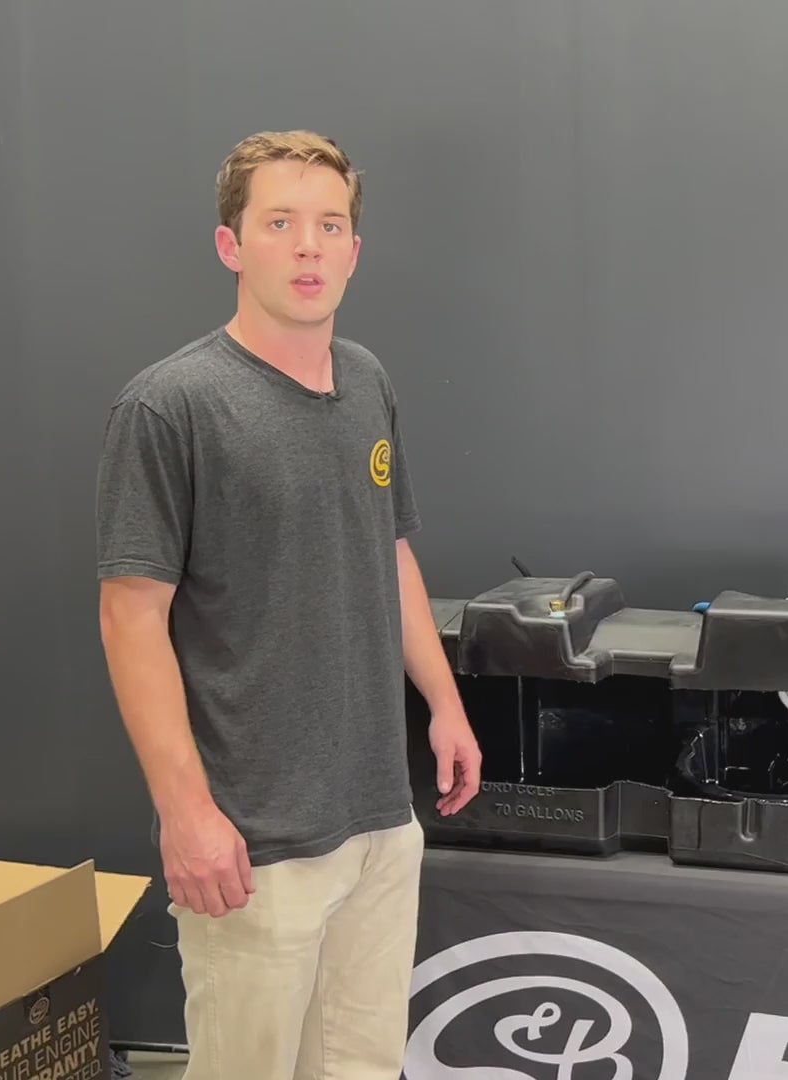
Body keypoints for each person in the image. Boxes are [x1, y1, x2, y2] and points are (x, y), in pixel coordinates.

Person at [94, 129, 481, 1079]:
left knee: (361, 1067)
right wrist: (187, 814)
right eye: (280, 223)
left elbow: (390, 551)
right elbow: (130, 616)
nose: (309, 245)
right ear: (231, 245)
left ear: (355, 250)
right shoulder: (171, 406)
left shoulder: (368, 382)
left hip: (378, 817)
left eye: (330, 225)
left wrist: (444, 703)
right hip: (253, 838)